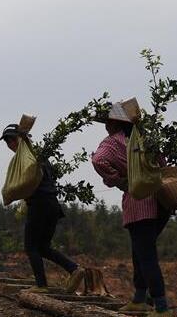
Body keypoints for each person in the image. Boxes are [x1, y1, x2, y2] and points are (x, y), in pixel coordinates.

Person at [92, 103, 171, 316]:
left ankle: (162, 307)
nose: (106, 127)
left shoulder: (112, 143)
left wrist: (118, 181)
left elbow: (98, 160)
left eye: (107, 122)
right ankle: (139, 299)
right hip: (162, 202)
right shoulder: (145, 139)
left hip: (140, 204)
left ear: (115, 123)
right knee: (140, 251)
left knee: (146, 255)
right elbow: (162, 164)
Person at [0, 123, 85, 294]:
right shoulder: (38, 156)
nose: (10, 145)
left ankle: (41, 285)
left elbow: (26, 183)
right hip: (52, 205)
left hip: (39, 205)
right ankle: (74, 269)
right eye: (7, 142)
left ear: (21, 139)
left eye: (12, 140)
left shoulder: (29, 159)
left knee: (31, 246)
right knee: (44, 247)